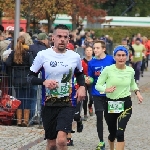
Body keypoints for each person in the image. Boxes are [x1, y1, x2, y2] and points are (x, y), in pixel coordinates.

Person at [27, 24, 85, 150]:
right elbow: (30, 77)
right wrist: (44, 82)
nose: (62, 39)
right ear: (53, 38)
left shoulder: (74, 56)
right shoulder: (43, 55)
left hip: (67, 103)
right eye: (59, 36)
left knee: (62, 141)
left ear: (69, 39)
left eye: (65, 37)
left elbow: (80, 74)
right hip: (48, 104)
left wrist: (82, 87)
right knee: (52, 144)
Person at [95, 45, 143, 150]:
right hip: (110, 104)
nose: (121, 58)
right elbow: (98, 85)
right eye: (118, 55)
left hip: (125, 103)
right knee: (112, 134)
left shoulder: (130, 70)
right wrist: (105, 89)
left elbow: (133, 84)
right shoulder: (108, 70)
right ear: (114, 57)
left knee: (120, 133)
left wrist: (137, 93)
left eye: (123, 55)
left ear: (127, 57)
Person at [86, 40, 115, 150]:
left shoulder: (111, 60)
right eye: (94, 48)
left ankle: (112, 137)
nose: (95, 50)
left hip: (110, 93)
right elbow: (91, 77)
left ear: (103, 49)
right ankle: (101, 141)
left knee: (110, 118)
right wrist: (89, 80)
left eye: (97, 48)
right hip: (97, 93)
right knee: (99, 117)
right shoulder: (91, 63)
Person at [5, 36, 34, 127]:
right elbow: (32, 64)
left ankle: (18, 120)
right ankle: (25, 120)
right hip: (27, 79)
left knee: (19, 99)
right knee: (27, 100)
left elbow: (8, 63)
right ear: (25, 43)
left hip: (16, 79)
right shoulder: (28, 54)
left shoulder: (13, 53)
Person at [82, 46, 93, 120]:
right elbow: (79, 72)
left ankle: (90, 106)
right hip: (84, 81)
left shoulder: (95, 61)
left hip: (92, 82)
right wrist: (84, 78)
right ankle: (85, 113)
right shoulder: (81, 61)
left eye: (90, 50)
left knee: (92, 97)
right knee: (85, 98)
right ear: (85, 52)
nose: (89, 52)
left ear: (92, 52)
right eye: (87, 50)